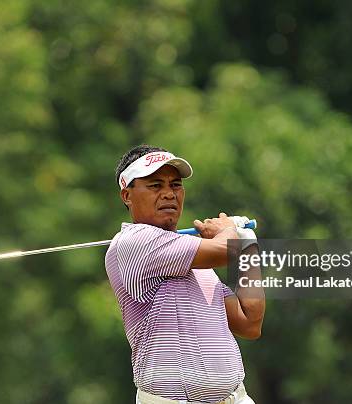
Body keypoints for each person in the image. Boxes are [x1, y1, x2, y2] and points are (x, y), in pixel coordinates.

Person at [105, 145, 265, 404]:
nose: (169, 194)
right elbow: (224, 250)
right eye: (155, 186)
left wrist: (248, 246)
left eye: (175, 185)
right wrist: (229, 230)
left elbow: (250, 321)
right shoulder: (133, 242)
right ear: (127, 195)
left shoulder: (198, 264)